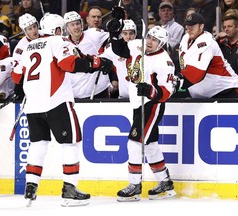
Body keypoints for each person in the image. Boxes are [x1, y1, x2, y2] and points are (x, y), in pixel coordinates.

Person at [11, 13, 114, 207]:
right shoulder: (58, 41)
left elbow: (17, 77)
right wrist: (98, 64)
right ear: (58, 30)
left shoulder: (28, 47)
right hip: (57, 102)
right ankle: (69, 189)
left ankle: (31, 186)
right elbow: (72, 64)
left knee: (38, 144)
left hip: (33, 106)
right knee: (71, 144)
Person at [107, 12, 177, 201]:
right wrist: (114, 34)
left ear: (161, 44)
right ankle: (165, 182)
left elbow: (168, 91)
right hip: (138, 104)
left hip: (151, 105)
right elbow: (120, 49)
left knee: (134, 142)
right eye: (149, 37)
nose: (150, 42)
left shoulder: (165, 62)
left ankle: (135, 185)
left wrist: (150, 90)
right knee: (151, 144)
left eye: (155, 40)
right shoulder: (138, 44)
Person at [175, 12, 238, 98]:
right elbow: (183, 64)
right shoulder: (185, 38)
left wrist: (177, 81)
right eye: (188, 26)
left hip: (226, 89)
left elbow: (196, 74)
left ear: (201, 26)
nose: (189, 29)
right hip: (205, 92)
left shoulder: (206, 41)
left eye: (192, 26)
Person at [63, 11, 116, 99]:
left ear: (82, 24)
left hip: (98, 90)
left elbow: (115, 37)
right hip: (75, 93)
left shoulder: (94, 34)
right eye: (72, 25)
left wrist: (116, 25)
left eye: (77, 23)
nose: (76, 27)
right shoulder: (63, 44)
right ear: (67, 28)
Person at [215, 9, 238, 75]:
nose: (226, 29)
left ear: (237, 27)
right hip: (224, 83)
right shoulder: (220, 44)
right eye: (224, 27)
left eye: (229, 26)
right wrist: (216, 39)